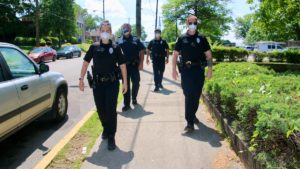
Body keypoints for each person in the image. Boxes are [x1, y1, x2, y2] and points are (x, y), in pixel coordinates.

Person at [79, 20, 128, 150]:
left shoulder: (116, 48)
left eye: (107, 30)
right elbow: (85, 63)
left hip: (112, 84)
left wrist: (125, 82)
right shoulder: (94, 47)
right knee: (101, 110)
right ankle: (106, 128)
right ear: (99, 32)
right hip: (97, 84)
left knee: (111, 110)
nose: (105, 33)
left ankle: (111, 136)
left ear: (111, 33)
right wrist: (81, 79)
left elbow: (122, 66)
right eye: (103, 30)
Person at [172, 15, 213, 132]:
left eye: (195, 22)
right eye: (190, 22)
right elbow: (175, 55)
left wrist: (210, 69)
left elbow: (209, 55)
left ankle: (192, 115)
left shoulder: (202, 38)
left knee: (196, 95)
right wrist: (173, 69)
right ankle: (189, 122)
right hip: (186, 71)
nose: (192, 24)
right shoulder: (181, 38)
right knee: (188, 95)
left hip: (199, 70)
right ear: (187, 23)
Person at [116, 23, 145, 111]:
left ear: (130, 29)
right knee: (126, 85)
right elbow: (114, 52)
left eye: (127, 28)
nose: (126, 29)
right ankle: (126, 104)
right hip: (124, 67)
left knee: (136, 82)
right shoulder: (118, 40)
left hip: (134, 66)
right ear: (122, 29)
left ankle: (134, 97)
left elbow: (142, 50)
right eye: (124, 28)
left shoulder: (136, 39)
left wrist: (141, 63)